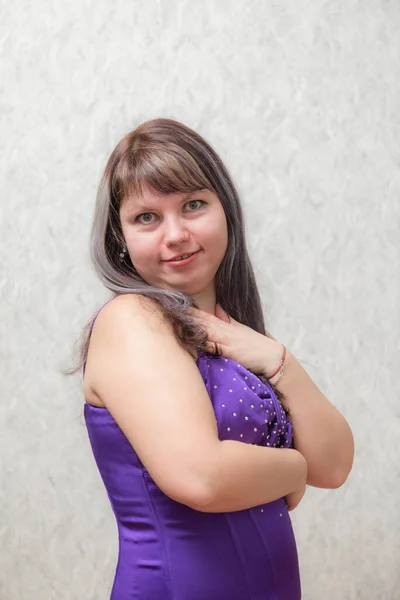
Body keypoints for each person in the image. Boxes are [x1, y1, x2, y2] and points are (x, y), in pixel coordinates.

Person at [76, 118, 354, 600]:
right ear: (119, 236)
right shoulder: (131, 319)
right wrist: (293, 468)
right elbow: (201, 477)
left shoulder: (234, 335)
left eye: (193, 205)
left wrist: (278, 359)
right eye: (147, 217)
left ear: (226, 210)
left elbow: (333, 465)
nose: (176, 234)